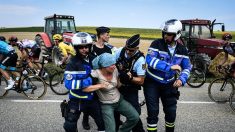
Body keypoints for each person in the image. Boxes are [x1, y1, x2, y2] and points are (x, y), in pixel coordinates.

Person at [144, 19, 192, 132]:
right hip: (152, 83)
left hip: (170, 84)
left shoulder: (182, 49)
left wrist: (181, 79)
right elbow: (149, 59)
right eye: (164, 33)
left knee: (171, 114)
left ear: (177, 34)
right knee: (153, 113)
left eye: (169, 34)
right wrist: (169, 67)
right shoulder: (156, 44)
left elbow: (187, 67)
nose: (166, 36)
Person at [62, 32, 105, 132]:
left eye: (86, 47)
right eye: (81, 47)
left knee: (102, 123)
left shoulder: (94, 59)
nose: (84, 49)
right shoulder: (72, 63)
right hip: (76, 100)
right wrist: (89, 80)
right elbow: (69, 84)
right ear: (76, 48)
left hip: (92, 98)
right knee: (69, 126)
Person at [89, 53, 139, 132]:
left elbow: (118, 85)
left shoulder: (115, 70)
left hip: (119, 100)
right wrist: (100, 86)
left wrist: (126, 78)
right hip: (106, 104)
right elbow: (84, 88)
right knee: (111, 130)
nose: (114, 66)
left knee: (135, 117)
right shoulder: (95, 74)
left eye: (114, 64)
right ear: (104, 66)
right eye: (111, 65)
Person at [115, 34, 145, 132]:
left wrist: (130, 78)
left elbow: (141, 81)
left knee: (134, 114)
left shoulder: (141, 61)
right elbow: (111, 64)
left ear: (137, 48)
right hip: (118, 85)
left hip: (131, 88)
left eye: (131, 50)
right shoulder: (120, 51)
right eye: (127, 48)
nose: (128, 51)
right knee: (114, 110)